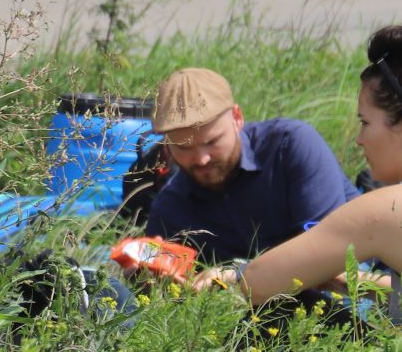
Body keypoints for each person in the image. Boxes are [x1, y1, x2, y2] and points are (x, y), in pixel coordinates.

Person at [192, 26, 402, 320]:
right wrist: (354, 282)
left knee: (278, 315)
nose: (359, 139)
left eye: (365, 122)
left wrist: (236, 273)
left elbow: (259, 283)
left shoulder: (385, 208)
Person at [143, 67, 358, 265]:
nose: (201, 159)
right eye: (183, 148)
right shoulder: (170, 208)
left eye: (211, 142)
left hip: (360, 281)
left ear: (237, 118)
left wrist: (239, 277)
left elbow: (329, 252)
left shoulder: (290, 147)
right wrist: (147, 277)